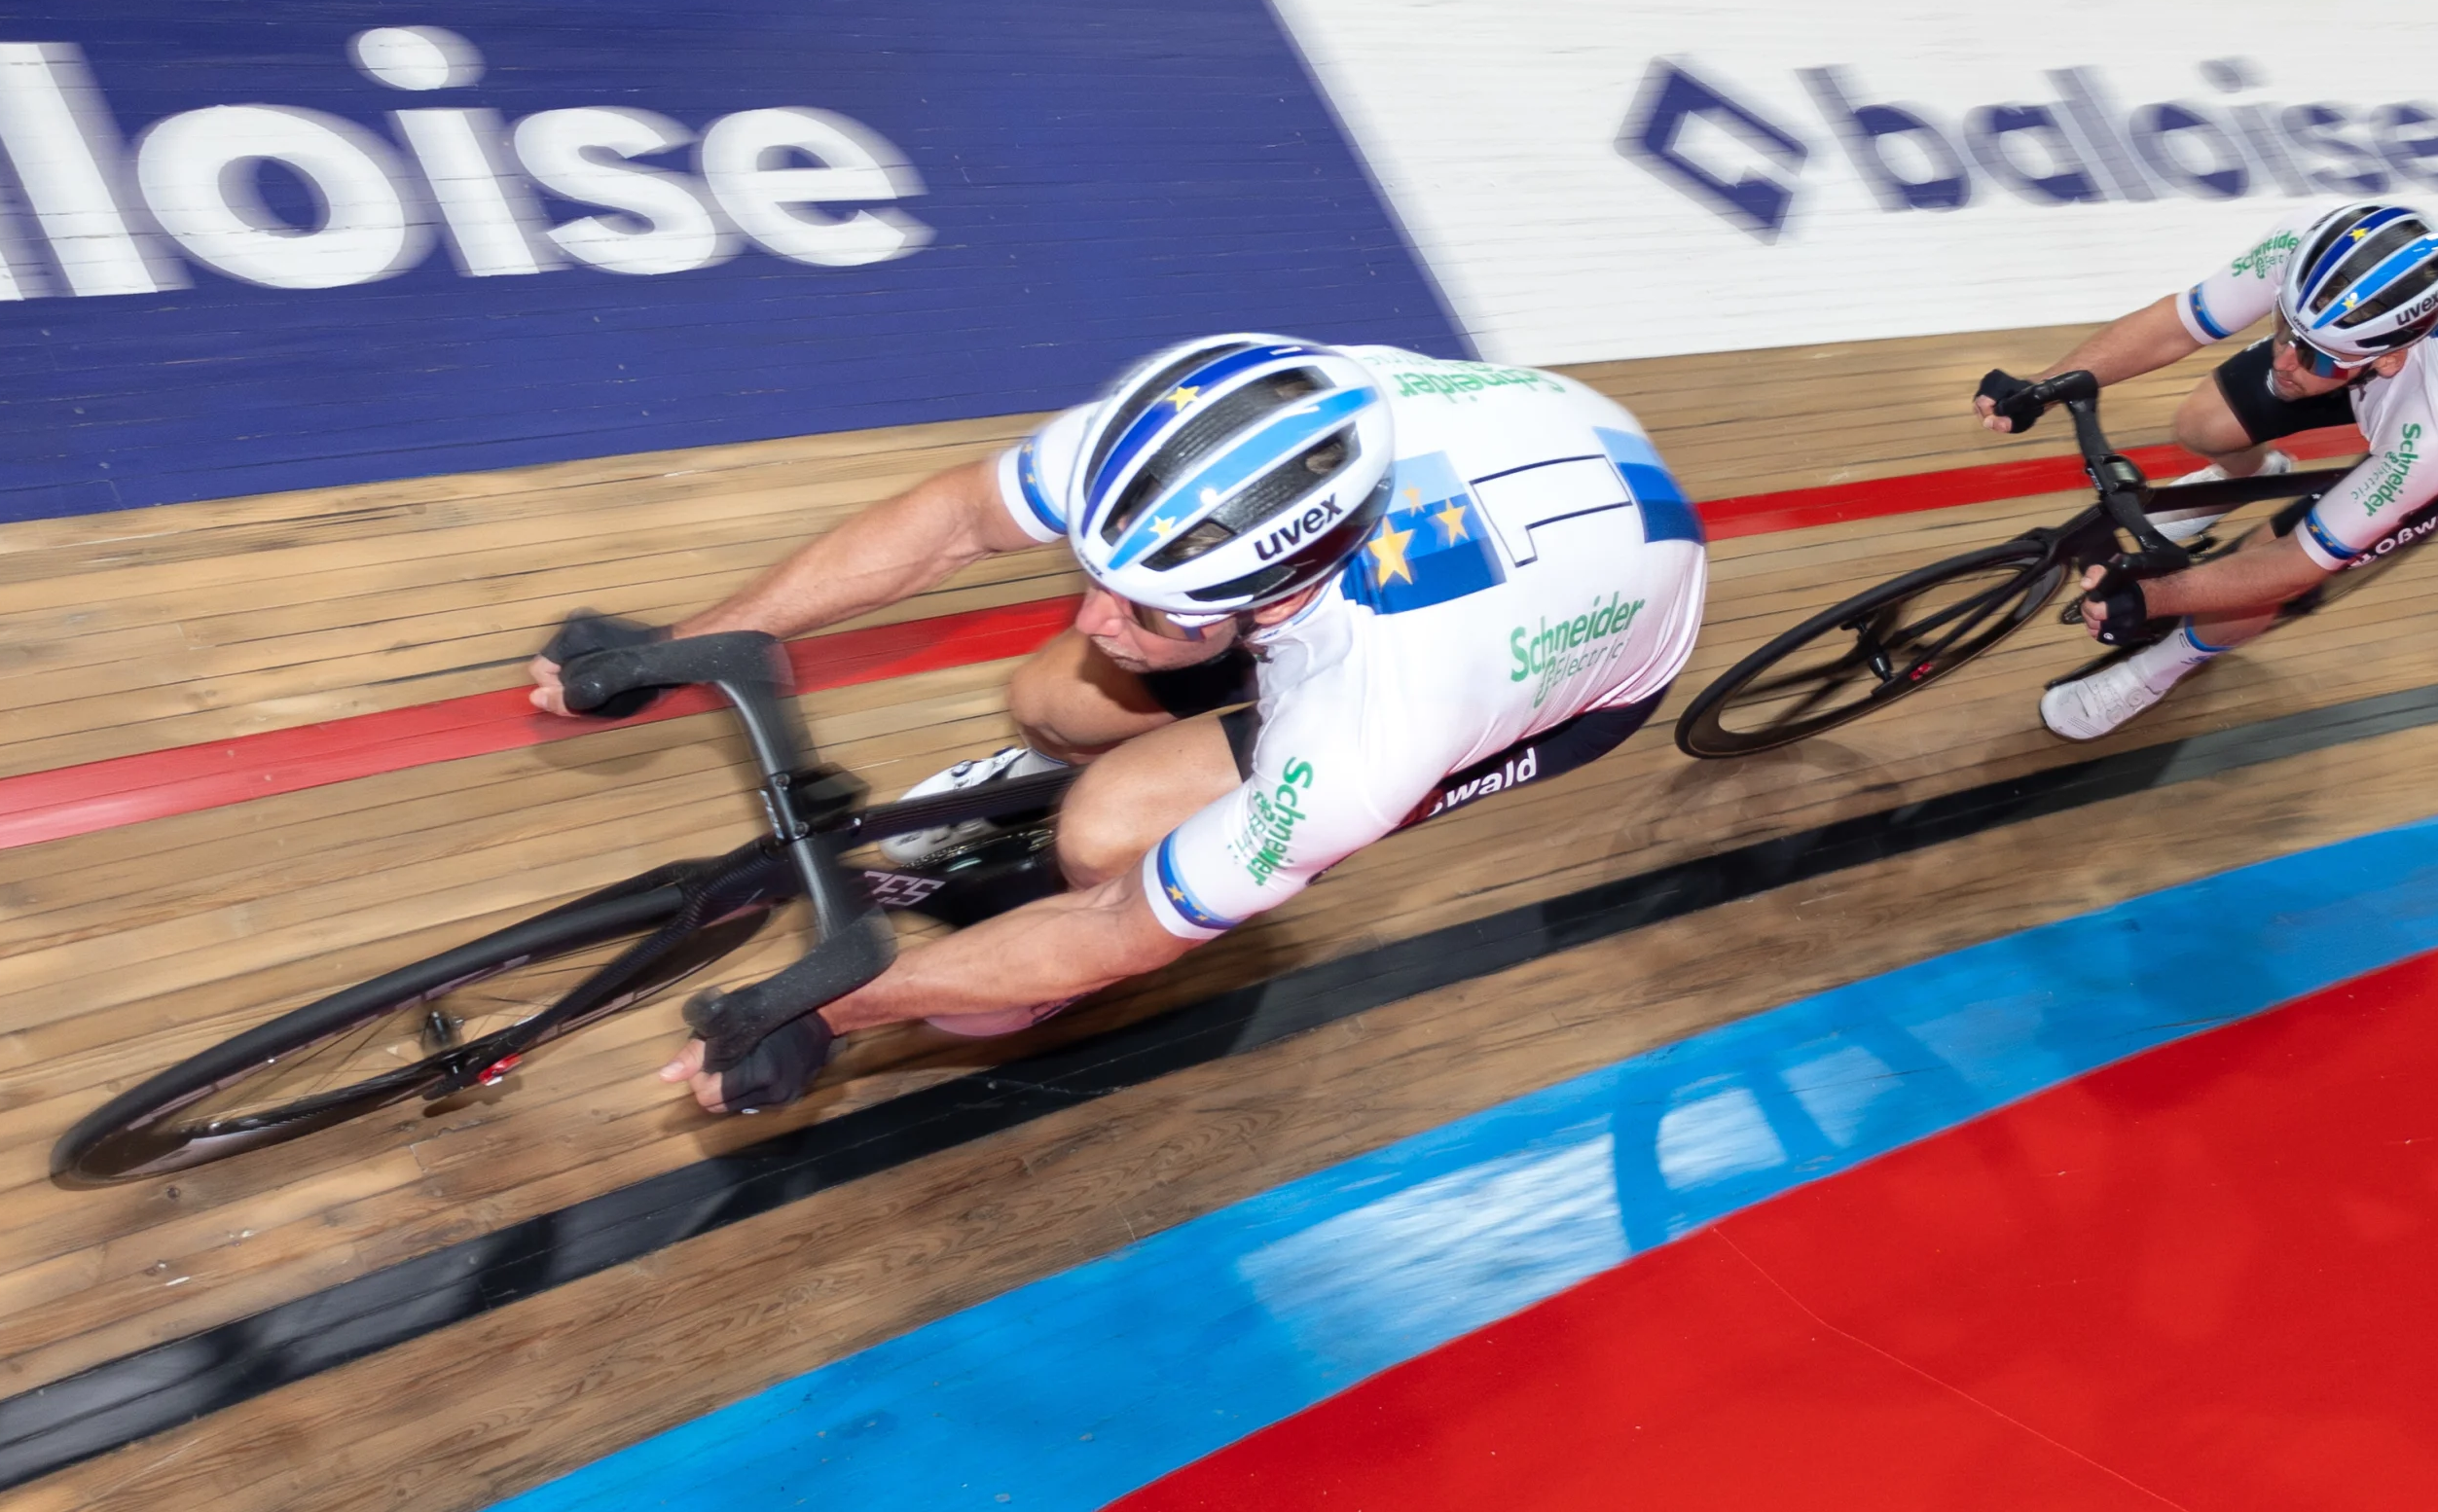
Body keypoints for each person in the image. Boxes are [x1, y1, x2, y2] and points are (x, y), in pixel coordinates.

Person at [531, 335, 1707, 1114]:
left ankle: (1045, 948)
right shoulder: (1216, 427)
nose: (1097, 611)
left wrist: (831, 1009)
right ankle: (1065, 759)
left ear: (1268, 599)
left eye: (1144, 603)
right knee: (1055, 692)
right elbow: (954, 521)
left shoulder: (1378, 725)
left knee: (1105, 840)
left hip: (1542, 666)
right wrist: (676, 647)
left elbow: (1121, 918)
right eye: (1098, 568)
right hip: (1495, 508)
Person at [1976, 199, 2438, 742]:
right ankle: (2245, 473)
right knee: (2202, 424)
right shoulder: (2320, 246)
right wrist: (2044, 385)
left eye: (2315, 357)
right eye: (2284, 327)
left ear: (2384, 362)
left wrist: (2155, 597)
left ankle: (2161, 668)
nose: (2285, 362)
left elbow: (2298, 562)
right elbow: (2178, 323)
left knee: (2262, 559)